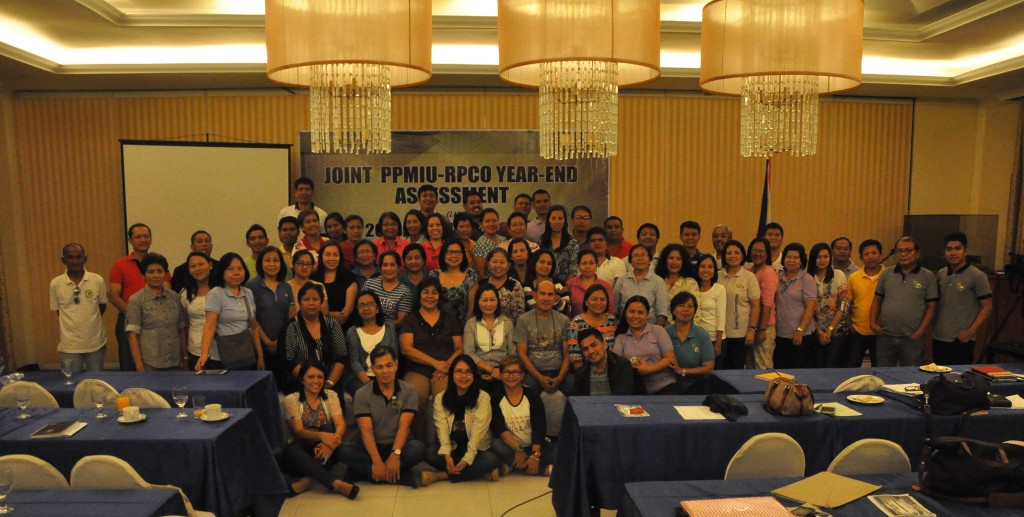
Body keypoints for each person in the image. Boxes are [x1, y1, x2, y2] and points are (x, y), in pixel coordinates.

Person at [339, 346, 426, 487]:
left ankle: (368, 473)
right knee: (343, 451)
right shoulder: (362, 394)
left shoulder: (409, 391)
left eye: (389, 365)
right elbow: (366, 430)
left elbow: (404, 426)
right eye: (379, 367)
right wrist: (376, 461)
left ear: (396, 365)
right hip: (371, 447)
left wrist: (395, 455)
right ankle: (396, 475)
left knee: (419, 449)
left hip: (398, 446)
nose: (385, 371)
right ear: (373, 369)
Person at [398, 277, 464, 442]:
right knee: (414, 397)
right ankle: (420, 443)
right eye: (425, 292)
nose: (430, 296)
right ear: (419, 295)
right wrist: (436, 364)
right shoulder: (410, 320)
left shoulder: (450, 318)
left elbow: (459, 349)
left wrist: (446, 366)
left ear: (439, 296)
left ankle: (440, 444)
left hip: (446, 369)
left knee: (444, 399)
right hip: (417, 369)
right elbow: (406, 349)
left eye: (434, 292)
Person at [281, 361, 359, 499]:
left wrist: (330, 444)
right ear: (302, 379)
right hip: (301, 452)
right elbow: (299, 431)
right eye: (311, 377)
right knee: (290, 447)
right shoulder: (291, 400)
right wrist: (323, 436)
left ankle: (308, 479)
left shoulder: (331, 396)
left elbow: (341, 425)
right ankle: (334, 483)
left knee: (330, 427)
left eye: (320, 377)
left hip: (323, 451)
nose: (316, 381)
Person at [420, 356, 501, 486]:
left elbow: (478, 434)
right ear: (452, 374)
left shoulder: (483, 397)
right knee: (430, 454)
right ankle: (479, 472)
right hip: (452, 447)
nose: (463, 376)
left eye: (468, 372)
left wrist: (467, 459)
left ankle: (441, 476)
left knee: (491, 459)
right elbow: (441, 430)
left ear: (474, 375)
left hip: (475, 449)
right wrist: (446, 455)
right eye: (459, 371)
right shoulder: (441, 398)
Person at [870, 236, 938, 367]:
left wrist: (920, 332)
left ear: (917, 253)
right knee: (883, 377)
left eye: (908, 251)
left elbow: (931, 306)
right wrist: (873, 323)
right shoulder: (886, 274)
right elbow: (877, 300)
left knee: (910, 379)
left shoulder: (927, 276)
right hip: (885, 336)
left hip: (912, 339)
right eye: (899, 251)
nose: (903, 254)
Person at [513, 279, 569, 436]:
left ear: (555, 298)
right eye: (542, 294)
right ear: (535, 296)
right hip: (533, 371)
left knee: (574, 385)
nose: (546, 298)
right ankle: (532, 437)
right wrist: (539, 377)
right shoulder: (524, 320)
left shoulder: (564, 320)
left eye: (550, 294)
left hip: (559, 369)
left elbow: (567, 355)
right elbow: (522, 354)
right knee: (524, 390)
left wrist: (559, 378)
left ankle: (569, 435)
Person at [110, 223, 168, 371]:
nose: (143, 240)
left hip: (156, 321)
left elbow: (167, 290)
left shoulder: (160, 263)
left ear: (151, 239)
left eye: (146, 236)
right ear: (130, 241)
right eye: (138, 237)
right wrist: (134, 315)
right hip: (128, 320)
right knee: (130, 367)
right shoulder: (120, 265)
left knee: (156, 365)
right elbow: (114, 296)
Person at [198, 252, 264, 371]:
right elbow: (209, 326)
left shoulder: (248, 292)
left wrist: (260, 356)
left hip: (245, 355)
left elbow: (254, 327)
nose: (236, 273)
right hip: (221, 358)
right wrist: (204, 355)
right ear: (222, 272)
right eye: (230, 269)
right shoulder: (216, 293)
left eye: (240, 268)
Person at [933, 232, 993, 365]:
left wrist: (969, 332)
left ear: (965, 251)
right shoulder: (941, 274)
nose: (953, 252)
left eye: (957, 248)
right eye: (949, 249)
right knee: (939, 380)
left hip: (961, 340)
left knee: (959, 382)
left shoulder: (977, 276)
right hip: (939, 338)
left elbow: (987, 306)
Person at [489, 355, 554, 476]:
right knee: (496, 446)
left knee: (557, 450)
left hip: (534, 446)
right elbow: (499, 429)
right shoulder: (495, 398)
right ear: (501, 375)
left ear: (522, 375)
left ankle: (513, 466)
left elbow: (539, 427)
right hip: (511, 447)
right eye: (507, 372)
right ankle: (543, 470)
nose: (511, 376)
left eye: (516, 372)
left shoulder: (532, 395)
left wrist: (535, 455)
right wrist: (518, 450)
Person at [50, 243, 108, 372]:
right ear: (63, 260)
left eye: (79, 257)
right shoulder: (56, 283)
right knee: (72, 385)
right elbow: (59, 312)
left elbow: (101, 307)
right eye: (70, 257)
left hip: (95, 344)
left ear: (85, 259)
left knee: (96, 384)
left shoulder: (97, 280)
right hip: (70, 346)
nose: (75, 261)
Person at [283, 282, 347, 394]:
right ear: (300, 302)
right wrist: (312, 383)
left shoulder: (332, 324)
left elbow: (342, 357)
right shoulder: (291, 327)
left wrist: (328, 384)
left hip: (330, 382)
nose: (311, 303)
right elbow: (289, 362)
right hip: (301, 383)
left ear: (321, 302)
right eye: (306, 299)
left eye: (315, 299)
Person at [125, 253, 186, 372]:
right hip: (150, 364)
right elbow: (132, 335)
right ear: (143, 275)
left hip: (175, 361)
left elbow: (181, 329)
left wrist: (185, 357)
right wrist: (139, 365)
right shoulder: (136, 300)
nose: (156, 275)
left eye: (160, 271)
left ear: (165, 274)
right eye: (151, 272)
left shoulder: (174, 297)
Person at [612, 296, 678, 395]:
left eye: (640, 312)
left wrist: (648, 369)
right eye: (632, 311)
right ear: (625, 314)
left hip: (664, 385)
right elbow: (616, 366)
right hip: (634, 388)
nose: (635, 316)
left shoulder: (658, 331)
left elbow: (670, 358)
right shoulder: (620, 338)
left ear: (647, 315)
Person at [247, 247, 294, 384]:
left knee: (284, 385)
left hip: (284, 344)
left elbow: (291, 318)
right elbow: (252, 319)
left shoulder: (286, 286)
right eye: (267, 260)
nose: (272, 264)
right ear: (261, 263)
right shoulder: (252, 286)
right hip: (259, 345)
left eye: (275, 260)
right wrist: (267, 341)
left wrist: (279, 341)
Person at [345, 291, 400, 396]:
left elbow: (395, 357)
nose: (366, 308)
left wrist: (386, 378)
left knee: (397, 397)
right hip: (360, 378)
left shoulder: (389, 328)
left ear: (377, 308)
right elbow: (354, 362)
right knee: (368, 394)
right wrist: (369, 383)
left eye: (370, 304)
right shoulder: (352, 332)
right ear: (357, 310)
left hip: (387, 375)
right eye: (362, 305)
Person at [774, 244, 818, 369]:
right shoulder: (777, 278)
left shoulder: (807, 279)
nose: (791, 260)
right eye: (789, 257)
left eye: (796, 258)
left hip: (802, 336)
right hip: (780, 335)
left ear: (801, 261)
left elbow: (810, 308)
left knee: (800, 374)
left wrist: (800, 330)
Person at [719, 241, 761, 370]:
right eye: (729, 253)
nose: (733, 256)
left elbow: (756, 305)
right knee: (720, 370)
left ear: (742, 256)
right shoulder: (718, 275)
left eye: (736, 252)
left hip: (740, 334)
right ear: (724, 256)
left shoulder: (749, 277)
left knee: (736, 370)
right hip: (720, 333)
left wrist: (752, 330)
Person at [464, 284, 516, 386]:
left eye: (492, 300)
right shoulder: (471, 324)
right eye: (484, 300)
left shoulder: (507, 323)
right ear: (478, 302)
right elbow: (469, 352)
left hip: (503, 372)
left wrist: (500, 372)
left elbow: (512, 353)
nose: (488, 304)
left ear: (498, 301)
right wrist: (491, 370)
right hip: (478, 372)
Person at [807, 242, 849, 368]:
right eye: (818, 257)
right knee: (817, 366)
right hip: (814, 330)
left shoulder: (838, 275)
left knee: (832, 366)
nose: (822, 260)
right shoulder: (807, 277)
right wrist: (820, 332)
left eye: (825, 256)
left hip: (837, 331)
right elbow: (806, 308)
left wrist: (830, 330)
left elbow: (843, 304)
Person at [666, 292, 715, 394]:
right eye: (681, 305)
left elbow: (708, 367)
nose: (686, 309)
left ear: (694, 312)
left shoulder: (702, 335)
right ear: (673, 311)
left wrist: (682, 371)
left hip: (696, 385)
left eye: (690, 306)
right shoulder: (665, 333)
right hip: (669, 384)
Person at [846, 239, 885, 367]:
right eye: (866, 254)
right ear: (861, 258)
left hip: (882, 332)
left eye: (874, 253)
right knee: (852, 369)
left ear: (881, 255)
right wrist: (851, 328)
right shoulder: (854, 277)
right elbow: (848, 304)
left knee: (879, 370)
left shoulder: (889, 275)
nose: (870, 257)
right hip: (858, 331)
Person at [566, 284, 619, 373]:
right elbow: (575, 356)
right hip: (586, 371)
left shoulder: (613, 321)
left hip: (612, 370)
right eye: (594, 299)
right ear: (586, 302)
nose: (598, 303)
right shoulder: (576, 323)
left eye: (602, 300)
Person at [613, 244, 669, 326]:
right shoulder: (622, 280)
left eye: (643, 255)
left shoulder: (658, 281)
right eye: (636, 255)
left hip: (650, 329)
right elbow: (614, 307)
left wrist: (655, 332)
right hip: (625, 329)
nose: (640, 258)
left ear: (650, 259)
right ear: (630, 261)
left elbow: (662, 312)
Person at [571, 327, 638, 396]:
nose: (590, 351)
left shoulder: (623, 366)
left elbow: (623, 397)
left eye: (593, 345)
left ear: (604, 344)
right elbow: (575, 399)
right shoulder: (581, 372)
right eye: (585, 349)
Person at [179, 251, 217, 371]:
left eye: (201, 264)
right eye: (193, 266)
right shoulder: (185, 294)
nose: (197, 269)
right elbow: (184, 325)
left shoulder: (221, 290)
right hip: (195, 350)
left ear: (210, 265)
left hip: (220, 350)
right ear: (189, 270)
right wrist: (185, 355)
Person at [429, 239, 479, 324]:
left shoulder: (470, 275)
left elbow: (471, 309)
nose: (454, 256)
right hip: (437, 326)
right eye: (450, 252)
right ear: (443, 254)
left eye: (458, 252)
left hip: (463, 325)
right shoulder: (434, 275)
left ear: (463, 255)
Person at [746, 238, 778, 369]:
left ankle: (767, 390)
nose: (757, 254)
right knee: (750, 367)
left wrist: (762, 330)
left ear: (767, 254)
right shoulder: (749, 270)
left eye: (761, 251)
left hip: (764, 327)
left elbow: (767, 304)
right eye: (754, 250)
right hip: (751, 327)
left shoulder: (768, 272)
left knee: (763, 367)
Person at [362, 251, 414, 325]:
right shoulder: (369, 284)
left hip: (389, 332)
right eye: (385, 265)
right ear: (380, 267)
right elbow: (360, 307)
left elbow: (400, 322)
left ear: (399, 268)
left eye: (392, 265)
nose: (388, 268)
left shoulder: (405, 292)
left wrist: (377, 325)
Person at [313, 240, 358, 325]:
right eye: (327, 255)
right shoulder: (313, 277)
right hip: (316, 325)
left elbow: (347, 311)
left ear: (340, 257)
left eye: (335, 255)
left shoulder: (349, 277)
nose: (332, 258)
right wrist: (329, 314)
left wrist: (326, 315)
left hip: (344, 326)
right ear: (321, 257)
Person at [693, 254, 725, 362]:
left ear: (714, 270)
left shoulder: (719, 289)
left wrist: (718, 344)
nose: (706, 270)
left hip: (714, 339)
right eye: (702, 266)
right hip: (696, 339)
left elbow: (721, 317)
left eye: (710, 267)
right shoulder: (692, 288)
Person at [483, 248, 526, 324]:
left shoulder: (515, 285)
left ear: (508, 265)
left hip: (507, 330)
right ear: (488, 263)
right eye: (494, 262)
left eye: (502, 262)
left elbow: (520, 316)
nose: (498, 265)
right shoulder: (481, 284)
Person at [565, 250, 613, 318]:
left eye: (591, 263)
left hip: (601, 325)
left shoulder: (605, 285)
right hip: (576, 325)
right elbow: (567, 309)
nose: (588, 266)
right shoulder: (571, 284)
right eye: (584, 263)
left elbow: (610, 310)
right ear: (578, 265)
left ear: (596, 265)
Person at [541, 205, 579, 285]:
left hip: (566, 287)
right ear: (548, 220)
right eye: (553, 218)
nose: (557, 221)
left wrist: (563, 287)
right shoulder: (541, 241)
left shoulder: (573, 243)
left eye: (560, 218)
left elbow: (573, 271)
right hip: (544, 285)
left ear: (565, 221)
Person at [524, 249, 570, 314]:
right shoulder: (527, 286)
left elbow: (568, 309)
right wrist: (557, 300)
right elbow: (533, 308)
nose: (545, 266)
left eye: (549, 263)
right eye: (542, 262)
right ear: (534, 263)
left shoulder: (560, 284)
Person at [288, 250, 326, 319]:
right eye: (301, 263)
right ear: (293, 265)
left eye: (308, 264)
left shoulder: (319, 286)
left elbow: (325, 313)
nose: (304, 267)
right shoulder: (286, 286)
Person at [472, 208, 507, 277]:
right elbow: (481, 274)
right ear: (481, 224)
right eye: (487, 221)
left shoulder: (503, 239)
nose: (491, 224)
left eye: (494, 220)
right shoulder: (480, 244)